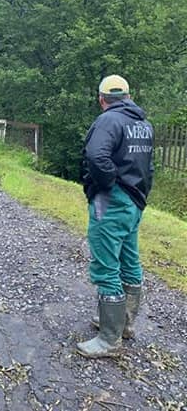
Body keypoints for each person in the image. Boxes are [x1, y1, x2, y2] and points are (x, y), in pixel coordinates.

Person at [77, 75, 154, 358]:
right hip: (135, 200)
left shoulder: (109, 120)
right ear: (128, 95)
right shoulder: (143, 124)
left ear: (102, 99)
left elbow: (97, 157)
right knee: (129, 260)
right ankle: (124, 324)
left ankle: (109, 340)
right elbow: (149, 166)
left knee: (106, 266)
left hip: (111, 201)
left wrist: (104, 185)